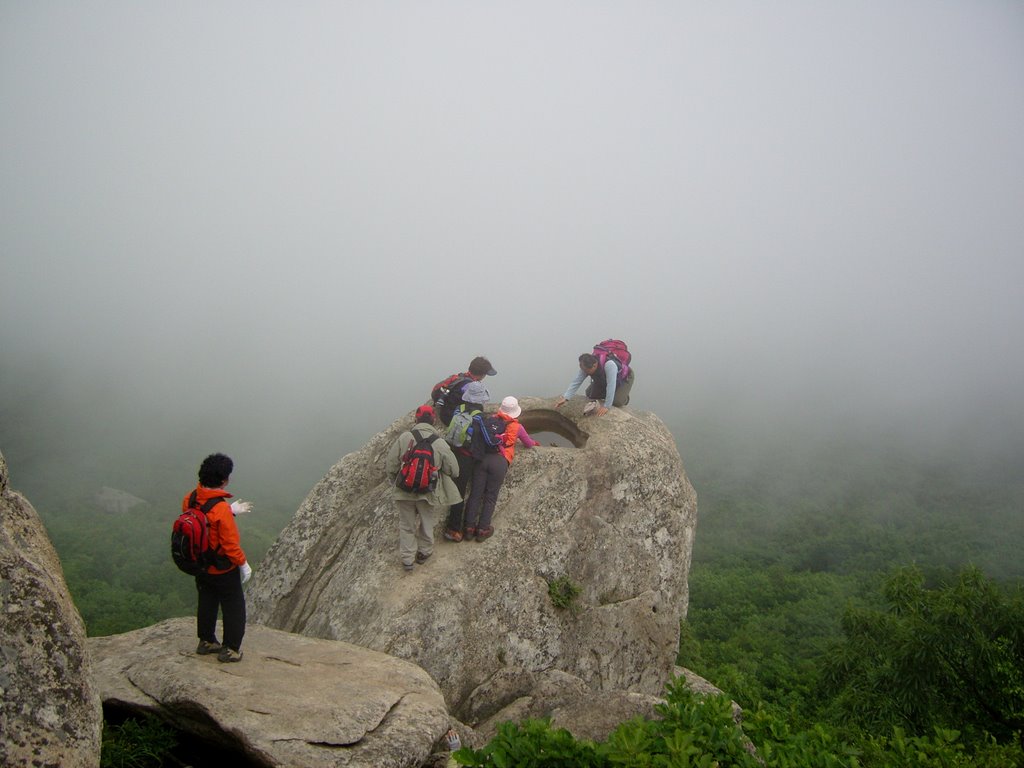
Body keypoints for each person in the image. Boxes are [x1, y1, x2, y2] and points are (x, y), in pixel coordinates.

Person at [185, 452, 252, 663]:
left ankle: (206, 641)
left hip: (200, 564)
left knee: (207, 599)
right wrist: (243, 564)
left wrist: (230, 511)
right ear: (224, 480)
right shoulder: (221, 509)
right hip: (222, 568)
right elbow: (230, 544)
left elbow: (202, 523)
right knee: (233, 606)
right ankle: (231, 649)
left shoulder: (190, 498)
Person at [386, 404, 462, 571]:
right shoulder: (440, 443)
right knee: (427, 522)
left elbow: (391, 465)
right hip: (428, 491)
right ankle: (424, 552)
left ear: (416, 419)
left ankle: (407, 559)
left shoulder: (405, 437)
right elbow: (454, 470)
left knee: (407, 525)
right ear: (433, 421)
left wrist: (397, 481)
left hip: (404, 490)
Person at [463, 396, 539, 542]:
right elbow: (528, 444)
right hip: (499, 462)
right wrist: (535, 442)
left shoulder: (490, 420)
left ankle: (468, 528)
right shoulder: (517, 427)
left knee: (475, 494)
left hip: (482, 459)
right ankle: (482, 530)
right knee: (490, 497)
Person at [443, 379, 490, 542]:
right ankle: (453, 528)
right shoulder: (479, 417)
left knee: (458, 489)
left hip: (454, 450)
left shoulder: (459, 409)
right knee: (459, 493)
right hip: (467, 458)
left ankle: (457, 527)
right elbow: (486, 438)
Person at [554, 351, 635, 416]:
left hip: (624, 378)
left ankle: (624, 397)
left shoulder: (609, 365)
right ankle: (611, 394)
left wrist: (606, 406)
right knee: (589, 393)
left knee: (617, 401)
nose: (584, 372)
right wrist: (566, 397)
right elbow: (577, 381)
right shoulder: (586, 366)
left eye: (586, 371)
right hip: (603, 379)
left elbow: (611, 384)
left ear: (594, 365)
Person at [430, 356, 497, 427]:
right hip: (451, 419)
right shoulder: (469, 387)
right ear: (482, 375)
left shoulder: (461, 377)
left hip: (445, 412)